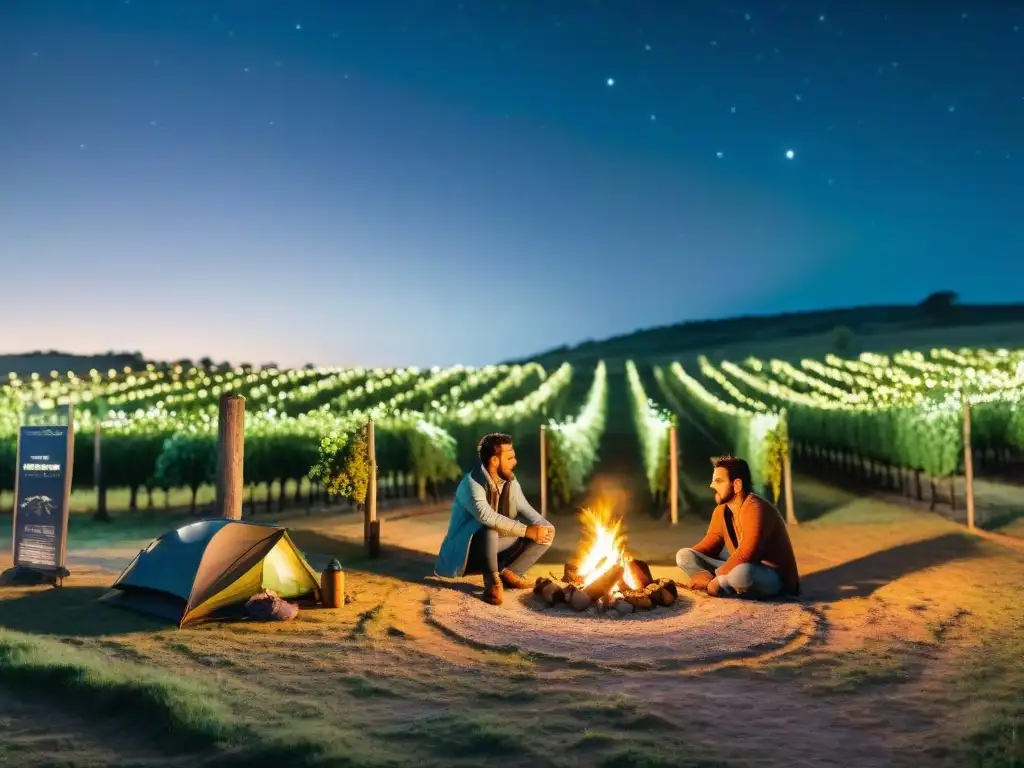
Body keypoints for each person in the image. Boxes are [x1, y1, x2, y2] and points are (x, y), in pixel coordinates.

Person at [433, 432, 555, 605]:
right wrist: (527, 531)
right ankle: (492, 584)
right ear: (495, 460)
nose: (515, 462)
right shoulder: (471, 483)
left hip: (497, 545)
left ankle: (512, 574)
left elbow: (526, 509)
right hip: (467, 554)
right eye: (510, 458)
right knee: (489, 530)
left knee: (547, 530)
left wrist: (543, 527)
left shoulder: (510, 481)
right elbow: (486, 516)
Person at [675, 456, 800, 599]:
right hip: (739, 567)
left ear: (737, 485)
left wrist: (716, 578)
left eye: (719, 481)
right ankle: (723, 584)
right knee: (684, 555)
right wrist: (699, 569)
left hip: (770, 575)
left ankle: (720, 585)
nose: (711, 485)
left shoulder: (755, 508)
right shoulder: (721, 511)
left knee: (742, 573)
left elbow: (747, 554)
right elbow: (709, 544)